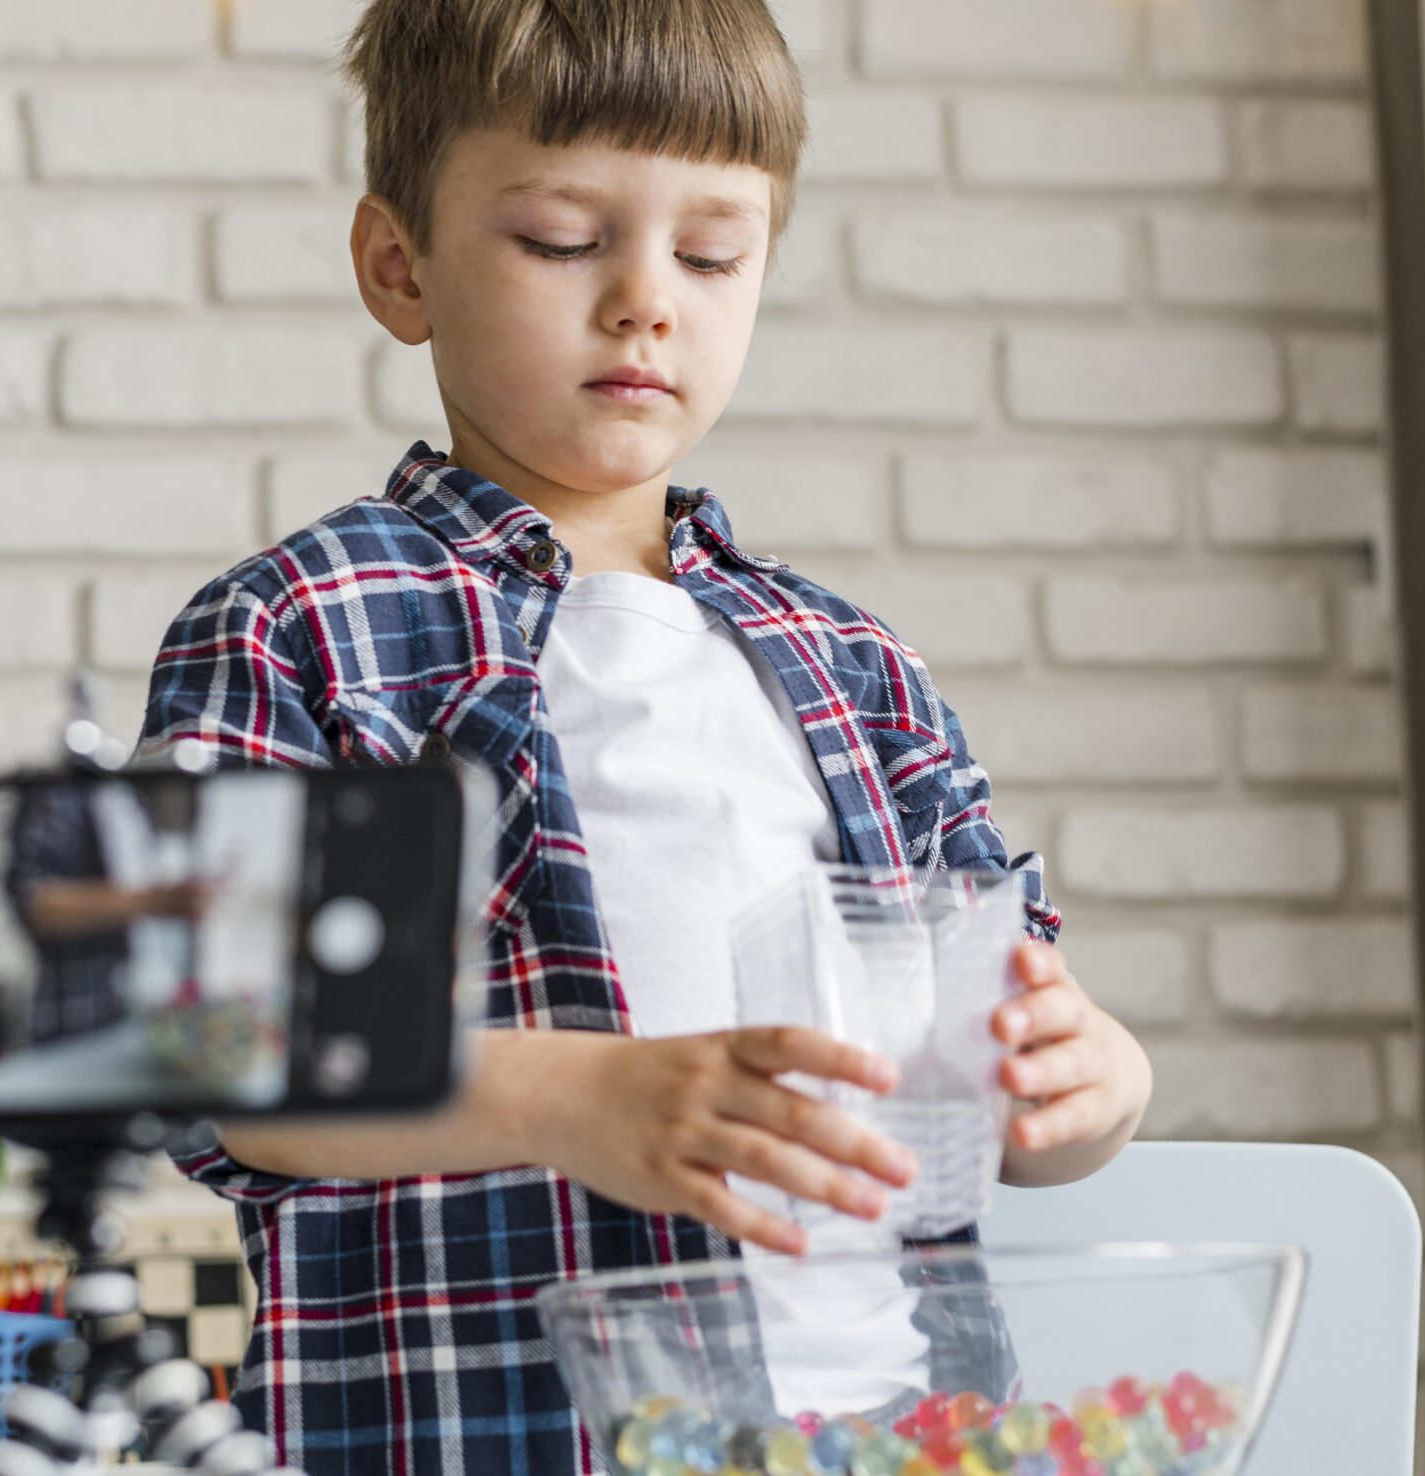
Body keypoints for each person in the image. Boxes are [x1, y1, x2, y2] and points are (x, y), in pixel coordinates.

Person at [134, 3, 1155, 1471]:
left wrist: (1088, 1081)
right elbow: (205, 1045)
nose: (644, 301)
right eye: (561, 238)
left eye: (711, 252)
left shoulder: (856, 666)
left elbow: (1006, 1081)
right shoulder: (307, 626)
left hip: (886, 1430)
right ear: (398, 263)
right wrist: (576, 1097)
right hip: (481, 1434)